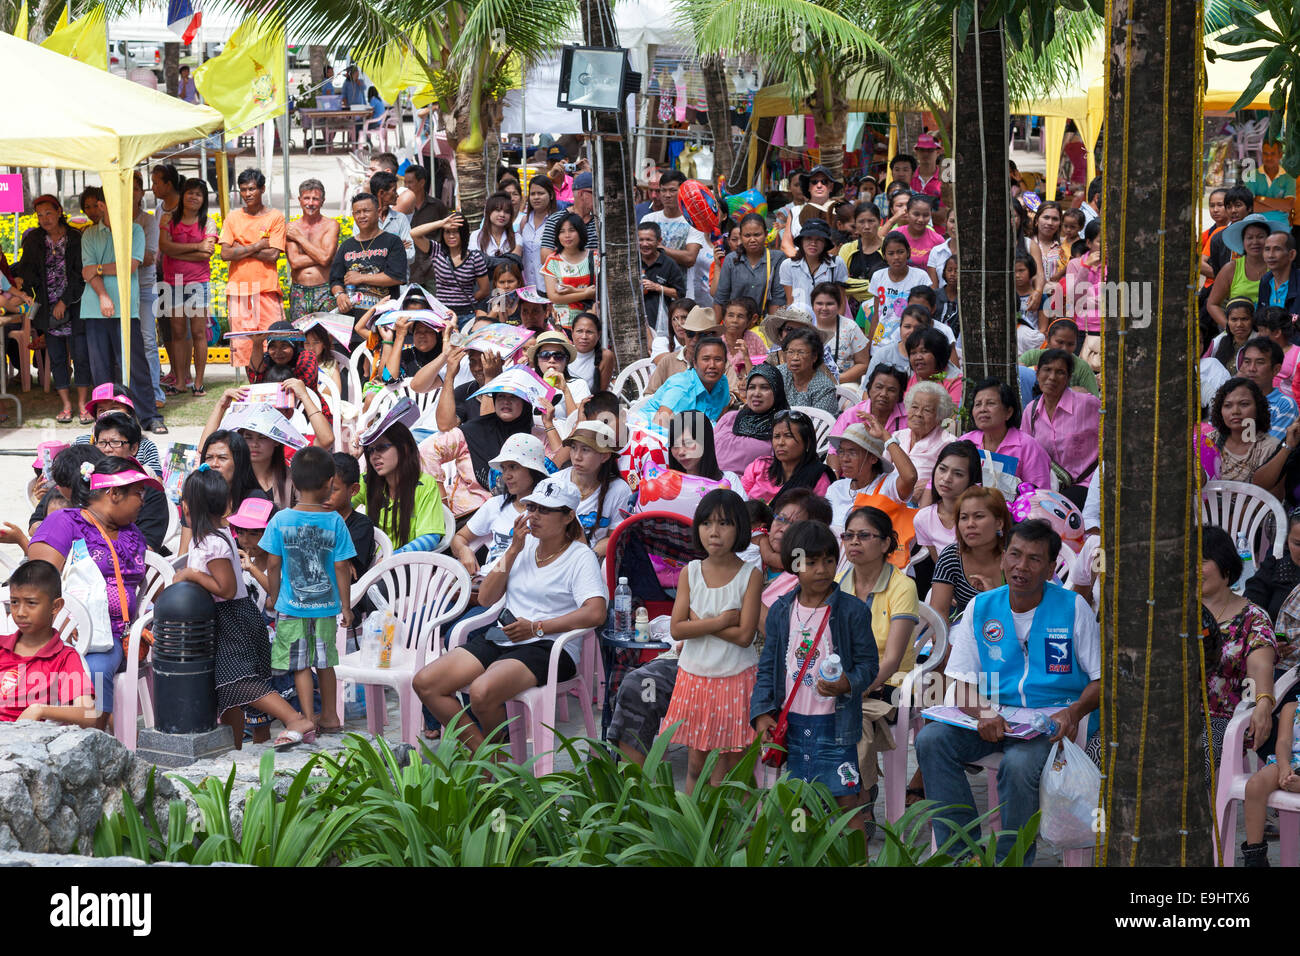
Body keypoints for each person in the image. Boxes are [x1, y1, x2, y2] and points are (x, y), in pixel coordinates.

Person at [917, 519, 1100, 864]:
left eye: (1034, 559)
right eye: (1014, 554)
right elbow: (962, 681)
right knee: (931, 740)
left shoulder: (1073, 607)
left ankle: (1009, 860)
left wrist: (1073, 712)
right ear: (1002, 558)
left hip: (1050, 724)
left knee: (1016, 766)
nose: (1021, 566)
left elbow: (1101, 680)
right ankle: (961, 855)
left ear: (1049, 569)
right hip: (994, 718)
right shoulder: (981, 607)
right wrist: (984, 713)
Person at [412, 476, 607, 754]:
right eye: (532, 508)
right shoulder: (523, 546)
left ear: (568, 516)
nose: (534, 516)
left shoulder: (580, 556)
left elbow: (596, 612)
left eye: (545, 510)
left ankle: (498, 763)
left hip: (549, 645)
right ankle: (486, 757)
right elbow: (488, 597)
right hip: (507, 636)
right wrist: (513, 549)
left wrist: (538, 627)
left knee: (482, 692)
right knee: (427, 683)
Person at [751, 520, 878, 832]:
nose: (822, 569)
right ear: (793, 564)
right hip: (793, 726)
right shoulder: (781, 610)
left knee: (846, 804)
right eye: (811, 561)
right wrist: (761, 713)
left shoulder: (852, 611)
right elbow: (768, 665)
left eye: (829, 560)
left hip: (836, 727)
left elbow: (869, 665)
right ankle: (804, 854)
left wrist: (847, 683)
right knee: (798, 803)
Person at [28, 456, 156, 727]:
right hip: (61, 633)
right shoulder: (65, 522)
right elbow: (37, 581)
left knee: (96, 667)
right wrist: (63, 619)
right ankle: (79, 737)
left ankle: (97, 744)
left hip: (111, 637)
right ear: (114, 493)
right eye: (138, 493)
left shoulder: (132, 533)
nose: (143, 501)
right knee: (88, 669)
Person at [660, 489, 763, 793]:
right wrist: (719, 621)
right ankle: (693, 834)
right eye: (706, 523)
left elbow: (745, 636)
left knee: (735, 768)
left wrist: (698, 622)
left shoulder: (750, 575)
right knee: (696, 764)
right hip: (695, 678)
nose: (714, 532)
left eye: (724, 524)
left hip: (736, 679)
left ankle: (739, 838)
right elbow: (677, 629)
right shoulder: (690, 572)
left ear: (739, 529)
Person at [261, 447, 355, 747]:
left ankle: (307, 716)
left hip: (291, 606)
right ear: (330, 482)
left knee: (300, 664)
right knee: (325, 662)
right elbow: (342, 566)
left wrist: (273, 595)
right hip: (326, 606)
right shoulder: (336, 521)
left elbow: (272, 563)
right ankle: (330, 716)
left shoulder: (280, 520)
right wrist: (347, 606)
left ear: (294, 481)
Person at [837, 505, 920, 821]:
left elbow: (893, 659)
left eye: (864, 536)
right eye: (849, 536)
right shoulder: (837, 582)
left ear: (886, 543)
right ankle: (839, 798)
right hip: (845, 681)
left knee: (852, 719)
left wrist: (855, 688)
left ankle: (858, 805)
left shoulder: (903, 586)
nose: (854, 543)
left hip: (892, 684)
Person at [1201, 526, 1278, 788]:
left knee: (1183, 761)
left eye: (1200, 562)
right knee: (1103, 746)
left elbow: (1260, 665)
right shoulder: (1170, 613)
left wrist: (1264, 702)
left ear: (1225, 566)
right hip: (1167, 716)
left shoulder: (1252, 617)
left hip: (1221, 720)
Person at [78, 197, 160, 429]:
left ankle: (149, 417)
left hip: (126, 308)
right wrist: (103, 296)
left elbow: (130, 266)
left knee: (135, 366)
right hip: (95, 309)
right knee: (101, 369)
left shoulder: (134, 230)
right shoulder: (90, 234)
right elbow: (87, 272)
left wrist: (101, 268)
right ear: (104, 205)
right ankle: (105, 421)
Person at [15, 195, 89, 424]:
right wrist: (21, 286)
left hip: (74, 304)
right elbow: (27, 269)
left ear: (59, 212)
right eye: (39, 215)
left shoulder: (74, 238)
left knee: (80, 356)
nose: (44, 219)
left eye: (48, 212)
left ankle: (83, 405)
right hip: (48, 307)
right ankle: (66, 405)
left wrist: (64, 301)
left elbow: (79, 274)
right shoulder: (34, 240)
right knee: (56, 358)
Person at [0, 560, 96, 726]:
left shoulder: (65, 658)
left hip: (29, 743)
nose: (20, 612)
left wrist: (39, 710)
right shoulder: (2, 647)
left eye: (31, 603)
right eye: (14, 602)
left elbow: (88, 715)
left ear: (55, 606)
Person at [451, 433, 549, 576]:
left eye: (513, 467)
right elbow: (459, 538)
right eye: (504, 468)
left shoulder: (551, 512)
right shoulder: (495, 505)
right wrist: (463, 550)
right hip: (489, 581)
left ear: (533, 470)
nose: (506, 475)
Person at [157, 177, 218, 396]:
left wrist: (178, 249)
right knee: (178, 331)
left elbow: (207, 253)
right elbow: (164, 247)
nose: (193, 197)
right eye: (190, 192)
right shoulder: (167, 219)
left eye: (198, 194)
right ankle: (181, 381)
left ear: (204, 200)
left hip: (198, 282)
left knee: (198, 332)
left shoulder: (208, 223)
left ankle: (199, 382)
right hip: (172, 282)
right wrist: (196, 247)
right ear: (183, 195)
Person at [220, 169, 286, 368]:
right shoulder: (233, 218)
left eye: (251, 189)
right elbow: (225, 254)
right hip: (239, 290)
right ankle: (252, 391)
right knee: (243, 346)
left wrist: (241, 248)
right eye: (243, 190)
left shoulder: (275, 217)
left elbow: (273, 255)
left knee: (273, 343)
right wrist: (257, 246)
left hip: (267, 289)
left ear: (262, 189)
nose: (247, 194)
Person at [1023, 349, 1102, 502]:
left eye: (1060, 372)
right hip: (1049, 487)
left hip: (1086, 485)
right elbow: (1026, 451)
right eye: (1047, 370)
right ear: (1037, 374)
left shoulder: (1086, 404)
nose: (1052, 377)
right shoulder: (1031, 411)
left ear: (1068, 378)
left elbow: (1113, 433)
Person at [929, 485, 1012, 624]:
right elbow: (938, 612)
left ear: (999, 523)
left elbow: (1027, 613)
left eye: (979, 516)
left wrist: (992, 595)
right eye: (964, 518)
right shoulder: (952, 556)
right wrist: (944, 645)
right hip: (961, 633)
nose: (970, 524)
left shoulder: (1014, 558)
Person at [89, 412, 171, 552]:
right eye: (102, 443)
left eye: (115, 443)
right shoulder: (85, 480)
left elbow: (147, 549)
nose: (107, 449)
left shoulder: (150, 490)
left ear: (134, 448)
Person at [553, 421, 632, 559]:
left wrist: (587, 559)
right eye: (573, 448)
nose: (577, 456)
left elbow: (615, 536)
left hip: (594, 561)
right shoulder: (554, 482)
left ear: (605, 456)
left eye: (585, 449)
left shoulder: (619, 490)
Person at [1208, 376, 1294, 498]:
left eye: (1244, 404)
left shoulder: (1271, 448)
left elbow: (1272, 499)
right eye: (1228, 405)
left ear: (1258, 408)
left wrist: (1233, 517)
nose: (1235, 411)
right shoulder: (1209, 442)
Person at [959, 378, 1052, 490]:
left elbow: (1039, 495)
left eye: (990, 403)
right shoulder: (965, 442)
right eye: (977, 404)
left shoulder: (1028, 447)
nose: (982, 409)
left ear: (1008, 412)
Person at [330, 193, 408, 320]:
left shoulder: (392, 242)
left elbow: (396, 277)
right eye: (357, 212)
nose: (361, 216)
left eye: (366, 211)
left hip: (382, 319)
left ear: (378, 212)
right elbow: (335, 280)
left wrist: (361, 278)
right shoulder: (346, 246)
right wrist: (339, 295)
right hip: (351, 320)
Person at [826, 421, 917, 526]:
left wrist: (886, 437)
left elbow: (910, 476)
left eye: (852, 452)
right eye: (841, 452)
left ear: (873, 458)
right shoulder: (836, 488)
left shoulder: (888, 486)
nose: (845, 459)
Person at [130, 171, 165, 420]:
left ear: (141, 192)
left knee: (148, 342)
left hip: (143, 286)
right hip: (118, 288)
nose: (130, 194)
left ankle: (154, 392)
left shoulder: (148, 221)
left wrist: (126, 259)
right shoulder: (114, 220)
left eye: (134, 188)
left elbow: (150, 257)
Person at [412, 210, 489, 325]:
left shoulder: (475, 257)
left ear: (463, 234)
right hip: (443, 314)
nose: (451, 236)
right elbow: (414, 233)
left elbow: (484, 290)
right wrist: (441, 223)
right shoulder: (436, 251)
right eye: (447, 232)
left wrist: (465, 299)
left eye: (456, 232)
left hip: (467, 315)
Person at [742, 408, 834, 503]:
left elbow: (819, 515)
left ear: (808, 442)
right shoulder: (759, 466)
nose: (780, 443)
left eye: (788, 436)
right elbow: (740, 501)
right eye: (776, 436)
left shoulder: (817, 477)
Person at [642, 335, 732, 430]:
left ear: (725, 363)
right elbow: (658, 428)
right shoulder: (682, 387)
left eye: (718, 359)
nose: (712, 365)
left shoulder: (722, 381)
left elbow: (720, 422)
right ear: (695, 363)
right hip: (650, 434)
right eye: (706, 359)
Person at [714, 364, 790, 474]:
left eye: (764, 388)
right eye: (752, 387)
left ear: (776, 392)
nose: (756, 393)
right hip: (710, 482)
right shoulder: (730, 418)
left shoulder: (783, 427)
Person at [713, 212, 787, 324]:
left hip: (763, 325)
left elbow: (777, 299)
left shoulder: (777, 259)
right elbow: (721, 298)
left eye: (757, 235)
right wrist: (717, 330)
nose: (752, 239)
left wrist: (773, 332)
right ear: (741, 237)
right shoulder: (731, 260)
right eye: (747, 236)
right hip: (733, 324)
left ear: (766, 234)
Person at [913, 439, 982, 557]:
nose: (946, 478)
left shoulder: (981, 519)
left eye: (958, 474)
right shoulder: (923, 518)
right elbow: (939, 566)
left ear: (972, 480)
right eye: (942, 469)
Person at [1208, 214, 1277, 328]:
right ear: (1243, 242)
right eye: (1249, 237)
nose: (1255, 242)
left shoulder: (1279, 267)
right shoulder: (1231, 269)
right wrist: (1231, 328)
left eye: (1260, 237)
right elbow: (1212, 304)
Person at [286, 178, 341, 322]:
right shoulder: (292, 227)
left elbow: (325, 259)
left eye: (315, 199)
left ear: (322, 201)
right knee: (299, 337)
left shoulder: (330, 225)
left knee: (326, 337)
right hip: (299, 291)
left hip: (324, 290)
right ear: (299, 199)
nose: (310, 203)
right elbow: (295, 262)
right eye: (306, 198)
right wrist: (323, 254)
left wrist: (300, 239)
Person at [866, 232, 931, 346]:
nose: (896, 257)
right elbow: (876, 315)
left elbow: (926, 314)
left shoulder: (921, 277)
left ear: (908, 252)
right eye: (891, 253)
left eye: (900, 252)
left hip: (911, 341)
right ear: (884, 256)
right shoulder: (878, 276)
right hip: (881, 343)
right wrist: (869, 344)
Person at [893, 379, 955, 490]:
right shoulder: (897, 436)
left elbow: (951, 481)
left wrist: (930, 486)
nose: (918, 414)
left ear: (939, 417)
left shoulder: (948, 444)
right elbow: (881, 472)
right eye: (914, 407)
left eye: (927, 410)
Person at [540, 212, 598, 329]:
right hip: (562, 324)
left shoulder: (595, 257)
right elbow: (554, 297)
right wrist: (585, 294)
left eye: (572, 230)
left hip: (589, 324)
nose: (567, 235)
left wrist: (575, 291)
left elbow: (600, 292)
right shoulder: (553, 260)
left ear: (580, 232)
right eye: (562, 231)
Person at [1237, 336, 1300, 441]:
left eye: (1260, 362)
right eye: (1247, 362)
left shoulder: (1284, 405)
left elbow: (1268, 450)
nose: (1252, 369)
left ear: (1276, 369)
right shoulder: (1230, 398)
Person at [832, 366, 910, 449]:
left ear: (900, 395)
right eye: (879, 387)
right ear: (869, 388)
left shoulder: (909, 418)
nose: (883, 394)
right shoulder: (851, 415)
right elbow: (833, 452)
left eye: (891, 390)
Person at [779, 219, 847, 311]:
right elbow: (790, 301)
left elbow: (841, 302)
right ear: (801, 241)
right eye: (808, 238)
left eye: (819, 239)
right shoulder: (787, 265)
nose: (813, 243)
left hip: (828, 319)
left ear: (825, 243)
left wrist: (836, 324)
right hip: (798, 319)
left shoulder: (837, 263)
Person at [1019, 318, 1100, 396]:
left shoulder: (1082, 368)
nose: (1064, 348)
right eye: (1060, 342)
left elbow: (1094, 401)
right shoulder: (1031, 357)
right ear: (1047, 338)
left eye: (1070, 344)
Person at [646, 302, 716, 393]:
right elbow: (649, 394)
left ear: (712, 336)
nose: (695, 339)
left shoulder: (721, 362)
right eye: (690, 333)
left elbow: (733, 393)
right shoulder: (668, 361)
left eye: (702, 335)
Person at [667, 411, 744, 494]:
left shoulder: (729, 481)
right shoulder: (666, 485)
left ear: (705, 442)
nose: (681, 452)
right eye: (675, 445)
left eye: (688, 443)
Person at [772, 324, 838, 416]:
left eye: (801, 352)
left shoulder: (824, 387)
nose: (795, 357)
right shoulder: (779, 374)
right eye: (790, 352)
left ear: (814, 356)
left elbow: (819, 424)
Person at [810, 282, 869, 383]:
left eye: (830, 304)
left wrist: (838, 379)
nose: (824, 308)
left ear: (839, 305)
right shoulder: (805, 327)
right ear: (812, 305)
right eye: (819, 303)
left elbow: (863, 364)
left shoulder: (851, 327)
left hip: (844, 385)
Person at [539, 170, 597, 262]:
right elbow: (545, 258)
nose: (598, 197)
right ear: (581, 194)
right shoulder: (555, 219)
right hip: (565, 275)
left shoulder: (598, 221)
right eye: (594, 193)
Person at [639, 221, 686, 331]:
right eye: (641, 240)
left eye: (649, 240)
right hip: (634, 321)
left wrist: (657, 287)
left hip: (660, 323)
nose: (644, 244)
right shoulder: (630, 261)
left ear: (659, 241)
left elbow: (680, 295)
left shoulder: (669, 264)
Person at [905, 326, 962, 406]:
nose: (918, 357)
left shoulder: (956, 381)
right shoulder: (907, 375)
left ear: (939, 354)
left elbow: (953, 416)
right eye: (913, 353)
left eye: (924, 351)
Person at [517, 175, 557, 290]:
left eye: (541, 193)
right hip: (527, 286)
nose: (536, 197)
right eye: (533, 194)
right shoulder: (524, 221)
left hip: (549, 287)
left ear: (551, 195)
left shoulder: (557, 222)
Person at [469, 192, 519, 265]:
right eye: (498, 210)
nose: (502, 215)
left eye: (507, 211)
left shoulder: (517, 238)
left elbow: (514, 263)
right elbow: (475, 263)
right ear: (488, 212)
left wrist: (486, 260)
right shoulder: (476, 236)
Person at [570, 311, 612, 393]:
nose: (584, 337)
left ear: (599, 335)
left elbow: (601, 393)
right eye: (579, 331)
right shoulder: (562, 354)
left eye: (589, 332)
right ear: (572, 333)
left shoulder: (605, 356)